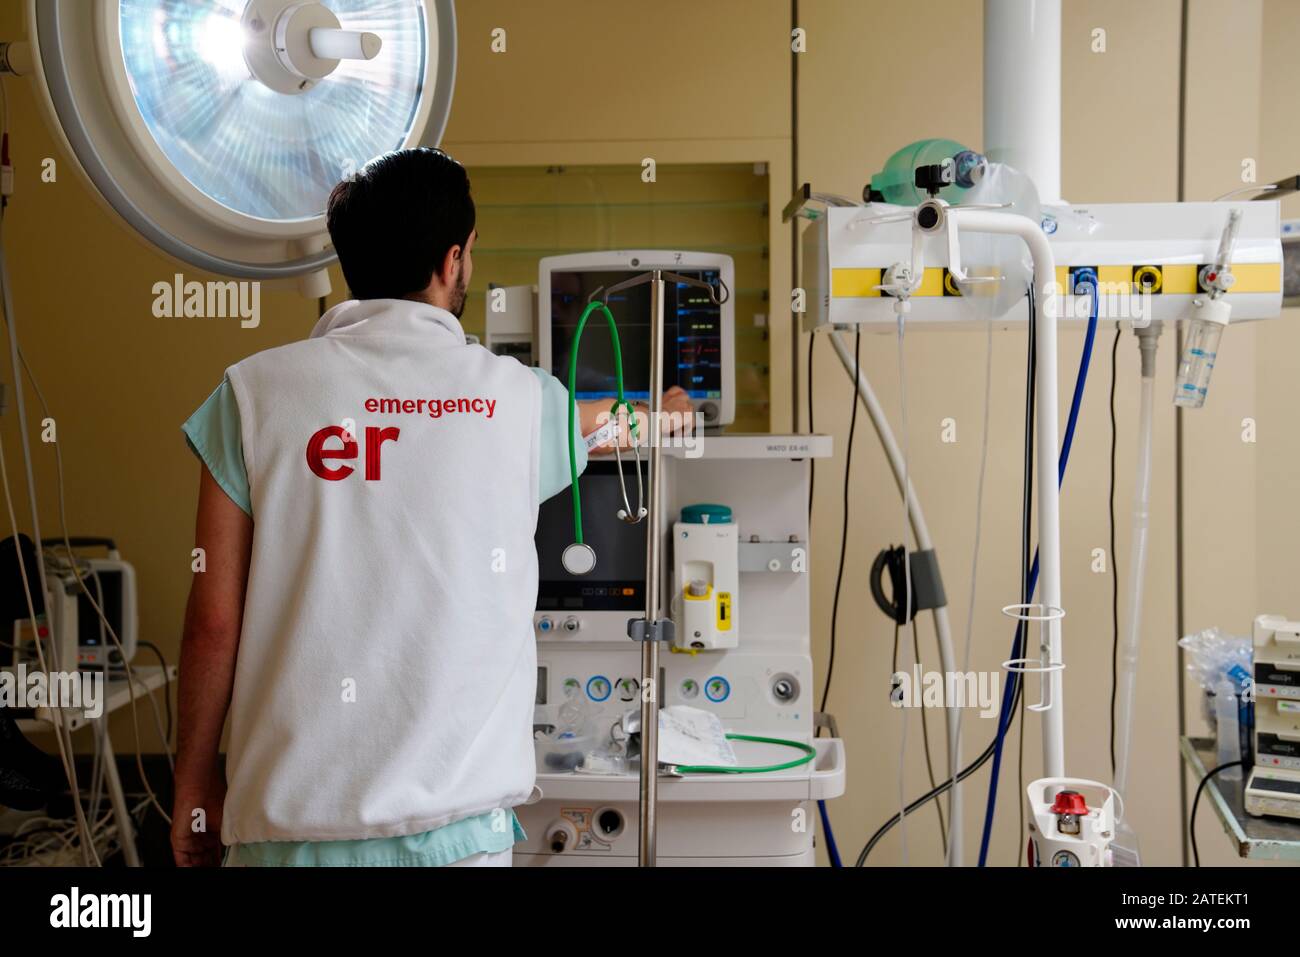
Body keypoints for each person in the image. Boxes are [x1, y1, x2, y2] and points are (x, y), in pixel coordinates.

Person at [171, 147, 691, 867]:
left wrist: (194, 782)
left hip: (288, 834)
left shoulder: (253, 397)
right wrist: (661, 414)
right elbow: (605, 422)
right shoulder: (516, 402)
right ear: (453, 260)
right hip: (457, 839)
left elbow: (214, 621)